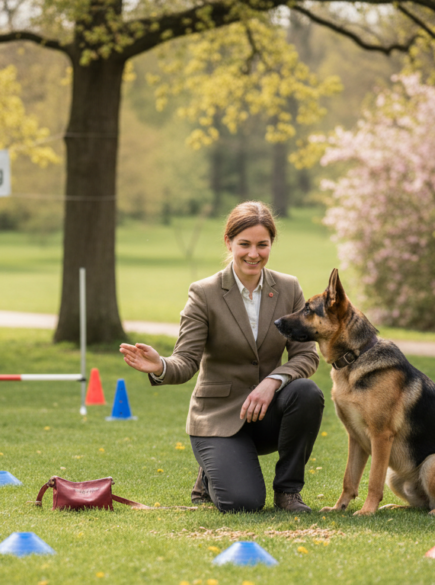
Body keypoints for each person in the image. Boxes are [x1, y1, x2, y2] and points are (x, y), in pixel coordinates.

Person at [120, 201, 323, 513]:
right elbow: (185, 362)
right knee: (243, 504)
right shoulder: (204, 293)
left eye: (262, 245)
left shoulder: (288, 287)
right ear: (229, 242)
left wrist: (272, 381)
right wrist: (160, 365)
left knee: (307, 392)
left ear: (271, 245)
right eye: (244, 244)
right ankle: (210, 473)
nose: (253, 254)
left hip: (267, 413)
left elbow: (306, 355)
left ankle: (288, 493)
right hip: (217, 418)